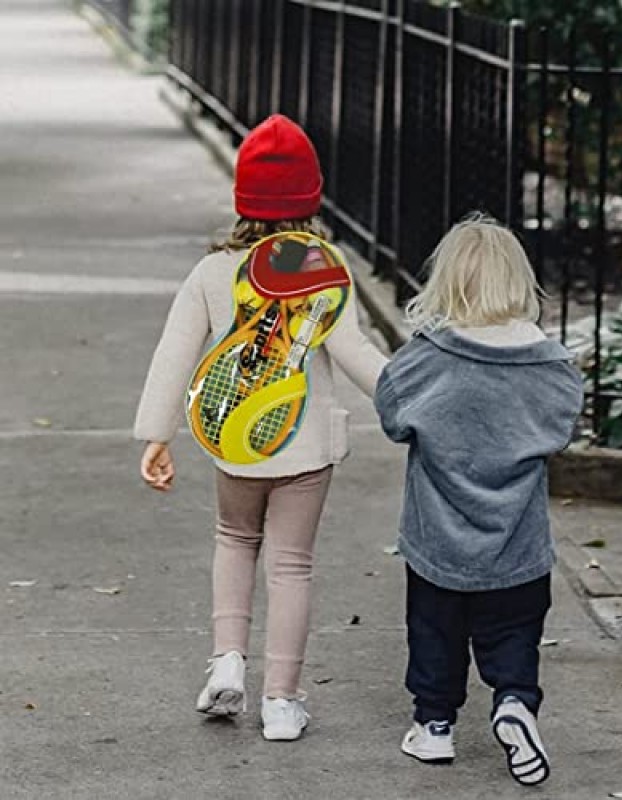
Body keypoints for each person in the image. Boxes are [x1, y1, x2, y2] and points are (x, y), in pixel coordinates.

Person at [134, 114, 388, 742]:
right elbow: (355, 353)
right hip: (304, 449)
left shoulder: (213, 273)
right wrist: (413, 401)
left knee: (233, 540)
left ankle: (227, 661)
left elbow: (175, 352)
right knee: (292, 565)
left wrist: (157, 434)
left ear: (241, 197)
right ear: (312, 196)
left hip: (236, 443)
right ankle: (280, 701)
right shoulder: (325, 270)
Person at [374, 214, 583, 785]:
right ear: (519, 283)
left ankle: (434, 726)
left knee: (435, 635)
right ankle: (515, 702)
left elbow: (392, 411)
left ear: (447, 284)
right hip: (518, 545)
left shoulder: (429, 357)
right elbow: (562, 424)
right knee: (515, 633)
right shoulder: (549, 365)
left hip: (438, 544)